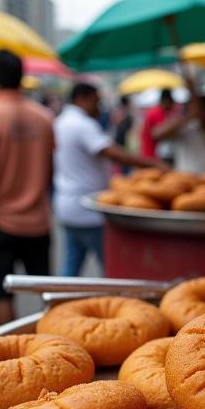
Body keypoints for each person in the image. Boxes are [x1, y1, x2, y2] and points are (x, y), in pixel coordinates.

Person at [0, 49, 55, 328]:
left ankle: (8, 358)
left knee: (2, 297)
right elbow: (49, 169)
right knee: (46, 296)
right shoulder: (43, 117)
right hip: (38, 221)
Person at [54, 82, 166, 277]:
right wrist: (153, 164)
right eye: (96, 101)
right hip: (88, 209)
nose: (99, 107)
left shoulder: (61, 121)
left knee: (71, 268)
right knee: (114, 270)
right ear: (83, 99)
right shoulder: (82, 124)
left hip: (67, 204)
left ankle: (59, 303)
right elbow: (113, 153)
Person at [153, 94, 205, 174]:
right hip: (184, 181)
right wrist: (189, 116)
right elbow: (157, 134)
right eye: (200, 110)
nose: (202, 114)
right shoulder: (185, 129)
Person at [140, 89, 177, 159]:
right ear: (166, 101)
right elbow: (158, 133)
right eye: (171, 102)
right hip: (151, 155)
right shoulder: (156, 113)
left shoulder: (158, 111)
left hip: (153, 154)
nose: (172, 105)